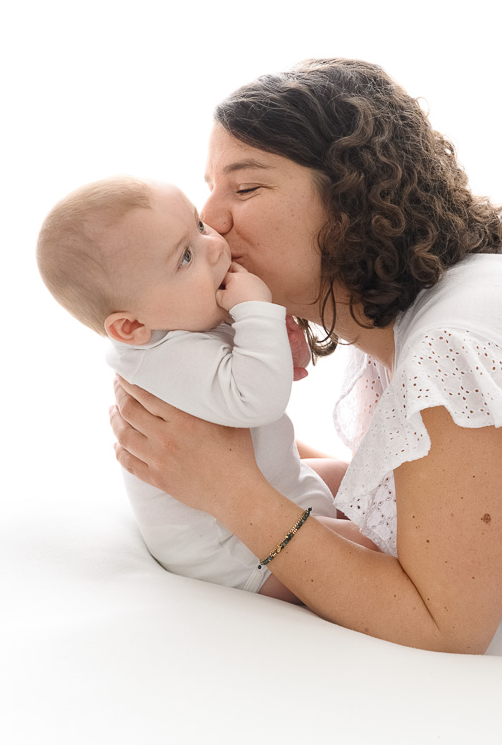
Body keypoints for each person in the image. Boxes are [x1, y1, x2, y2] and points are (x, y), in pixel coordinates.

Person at [110, 58, 502, 653]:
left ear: (352, 199)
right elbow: (424, 506)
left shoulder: (451, 346)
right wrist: (219, 446)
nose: (210, 220)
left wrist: (231, 491)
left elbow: (447, 626)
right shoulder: (423, 319)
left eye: (245, 187)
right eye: (211, 189)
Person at [36, 176, 375, 600]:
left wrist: (278, 339)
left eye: (197, 225)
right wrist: (256, 312)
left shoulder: (182, 316)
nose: (215, 245)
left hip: (276, 486)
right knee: (369, 549)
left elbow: (271, 370)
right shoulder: (164, 363)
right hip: (234, 548)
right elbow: (259, 400)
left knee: (353, 477)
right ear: (131, 327)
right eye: (184, 258)